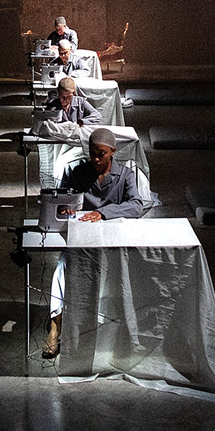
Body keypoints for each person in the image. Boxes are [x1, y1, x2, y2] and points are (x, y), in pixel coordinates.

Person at [44, 127, 147, 360]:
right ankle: (55, 327)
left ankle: (126, 331)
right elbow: (61, 199)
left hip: (111, 239)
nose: (96, 159)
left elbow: (136, 205)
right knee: (61, 270)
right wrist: (66, 208)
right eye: (92, 154)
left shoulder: (125, 175)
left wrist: (103, 212)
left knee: (124, 275)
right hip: (82, 238)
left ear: (113, 152)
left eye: (101, 154)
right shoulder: (78, 172)